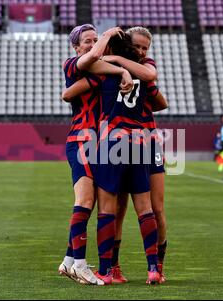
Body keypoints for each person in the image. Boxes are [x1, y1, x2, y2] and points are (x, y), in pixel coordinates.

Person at [63, 33, 164, 285]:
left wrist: (115, 68)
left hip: (111, 143)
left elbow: (68, 94)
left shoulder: (102, 74)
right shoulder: (143, 72)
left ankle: (107, 271)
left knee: (106, 211)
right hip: (140, 143)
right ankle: (153, 269)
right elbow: (161, 100)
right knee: (146, 209)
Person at [58, 24, 135, 286]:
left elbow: (94, 69)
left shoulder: (98, 74)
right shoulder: (72, 64)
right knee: (85, 200)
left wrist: (122, 70)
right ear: (76, 48)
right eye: (87, 41)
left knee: (87, 203)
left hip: (95, 142)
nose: (92, 45)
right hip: (81, 139)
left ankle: (70, 260)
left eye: (95, 39)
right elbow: (91, 61)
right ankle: (80, 265)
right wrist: (107, 37)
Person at [102, 27, 168, 284]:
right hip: (127, 142)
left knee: (157, 208)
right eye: (138, 47)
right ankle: (115, 267)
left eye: (145, 48)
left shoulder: (144, 67)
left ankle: (158, 266)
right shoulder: (121, 71)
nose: (142, 52)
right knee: (119, 208)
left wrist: (120, 63)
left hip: (149, 143)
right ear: (128, 45)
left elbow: (159, 97)